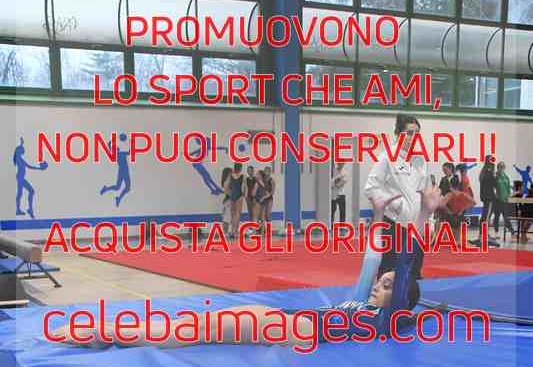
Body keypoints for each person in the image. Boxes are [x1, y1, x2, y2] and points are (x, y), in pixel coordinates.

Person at [52, 187, 442, 351]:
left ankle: (108, 334)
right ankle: (113, 332)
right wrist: (377, 215)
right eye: (383, 282)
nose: (378, 285)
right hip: (285, 320)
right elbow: (372, 260)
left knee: (198, 331)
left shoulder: (384, 319)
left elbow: (406, 264)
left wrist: (425, 213)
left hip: (292, 329)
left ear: (400, 301)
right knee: (199, 325)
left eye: (387, 286)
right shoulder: (361, 303)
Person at [365, 114, 428, 280]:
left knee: (414, 271)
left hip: (415, 225)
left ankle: (410, 296)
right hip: (393, 223)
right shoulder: (386, 157)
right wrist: (395, 204)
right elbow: (371, 188)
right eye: (409, 133)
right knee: (388, 272)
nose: (413, 138)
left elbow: (422, 189)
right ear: (398, 134)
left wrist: (427, 215)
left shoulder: (421, 160)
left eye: (417, 134)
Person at [13, 137, 47, 219]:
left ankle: (25, 209)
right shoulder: (18, 158)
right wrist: (21, 144)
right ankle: (20, 209)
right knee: (22, 193)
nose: (24, 151)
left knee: (26, 192)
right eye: (22, 150)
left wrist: (39, 168)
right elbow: (17, 153)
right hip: (20, 178)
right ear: (20, 151)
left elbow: (29, 166)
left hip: (21, 178)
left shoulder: (20, 159)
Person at [472, 156, 499, 247]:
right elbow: (495, 184)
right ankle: (483, 237)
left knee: (484, 216)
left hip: (485, 197)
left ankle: (483, 235)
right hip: (489, 198)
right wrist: (496, 177)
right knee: (486, 217)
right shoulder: (489, 173)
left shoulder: (484, 172)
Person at [100, 133, 132, 207]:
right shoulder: (120, 154)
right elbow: (129, 152)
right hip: (124, 170)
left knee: (118, 187)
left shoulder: (116, 154)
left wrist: (112, 141)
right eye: (117, 147)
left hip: (121, 170)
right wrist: (131, 142)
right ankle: (117, 198)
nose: (118, 147)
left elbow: (109, 146)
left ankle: (107, 189)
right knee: (126, 188)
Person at [493, 161, 516, 238]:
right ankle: (496, 233)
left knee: (506, 217)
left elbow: (508, 188)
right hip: (497, 201)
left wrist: (509, 196)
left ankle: (512, 232)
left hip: (505, 200)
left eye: (503, 167)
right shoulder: (495, 176)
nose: (501, 168)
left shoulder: (506, 177)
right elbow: (492, 188)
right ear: (498, 168)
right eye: (500, 167)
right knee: (497, 217)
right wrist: (495, 195)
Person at [228, 162, 245, 238]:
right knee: (238, 214)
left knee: (232, 214)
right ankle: (235, 231)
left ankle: (232, 231)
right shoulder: (242, 176)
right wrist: (243, 195)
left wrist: (230, 193)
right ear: (240, 168)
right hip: (239, 195)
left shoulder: (230, 176)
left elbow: (227, 186)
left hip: (232, 195)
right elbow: (243, 188)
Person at [256, 166, 275, 232]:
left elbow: (272, 192)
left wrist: (264, 197)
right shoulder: (262, 180)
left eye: (267, 171)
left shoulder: (272, 180)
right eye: (265, 171)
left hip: (269, 199)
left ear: (270, 172)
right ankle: (263, 229)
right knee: (262, 215)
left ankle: (269, 229)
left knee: (268, 215)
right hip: (262, 199)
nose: (266, 173)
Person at [220, 167, 232, 236]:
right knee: (226, 218)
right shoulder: (226, 182)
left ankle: (226, 232)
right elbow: (228, 192)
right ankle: (225, 233)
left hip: (228, 201)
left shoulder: (228, 181)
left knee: (227, 218)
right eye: (231, 172)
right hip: (228, 201)